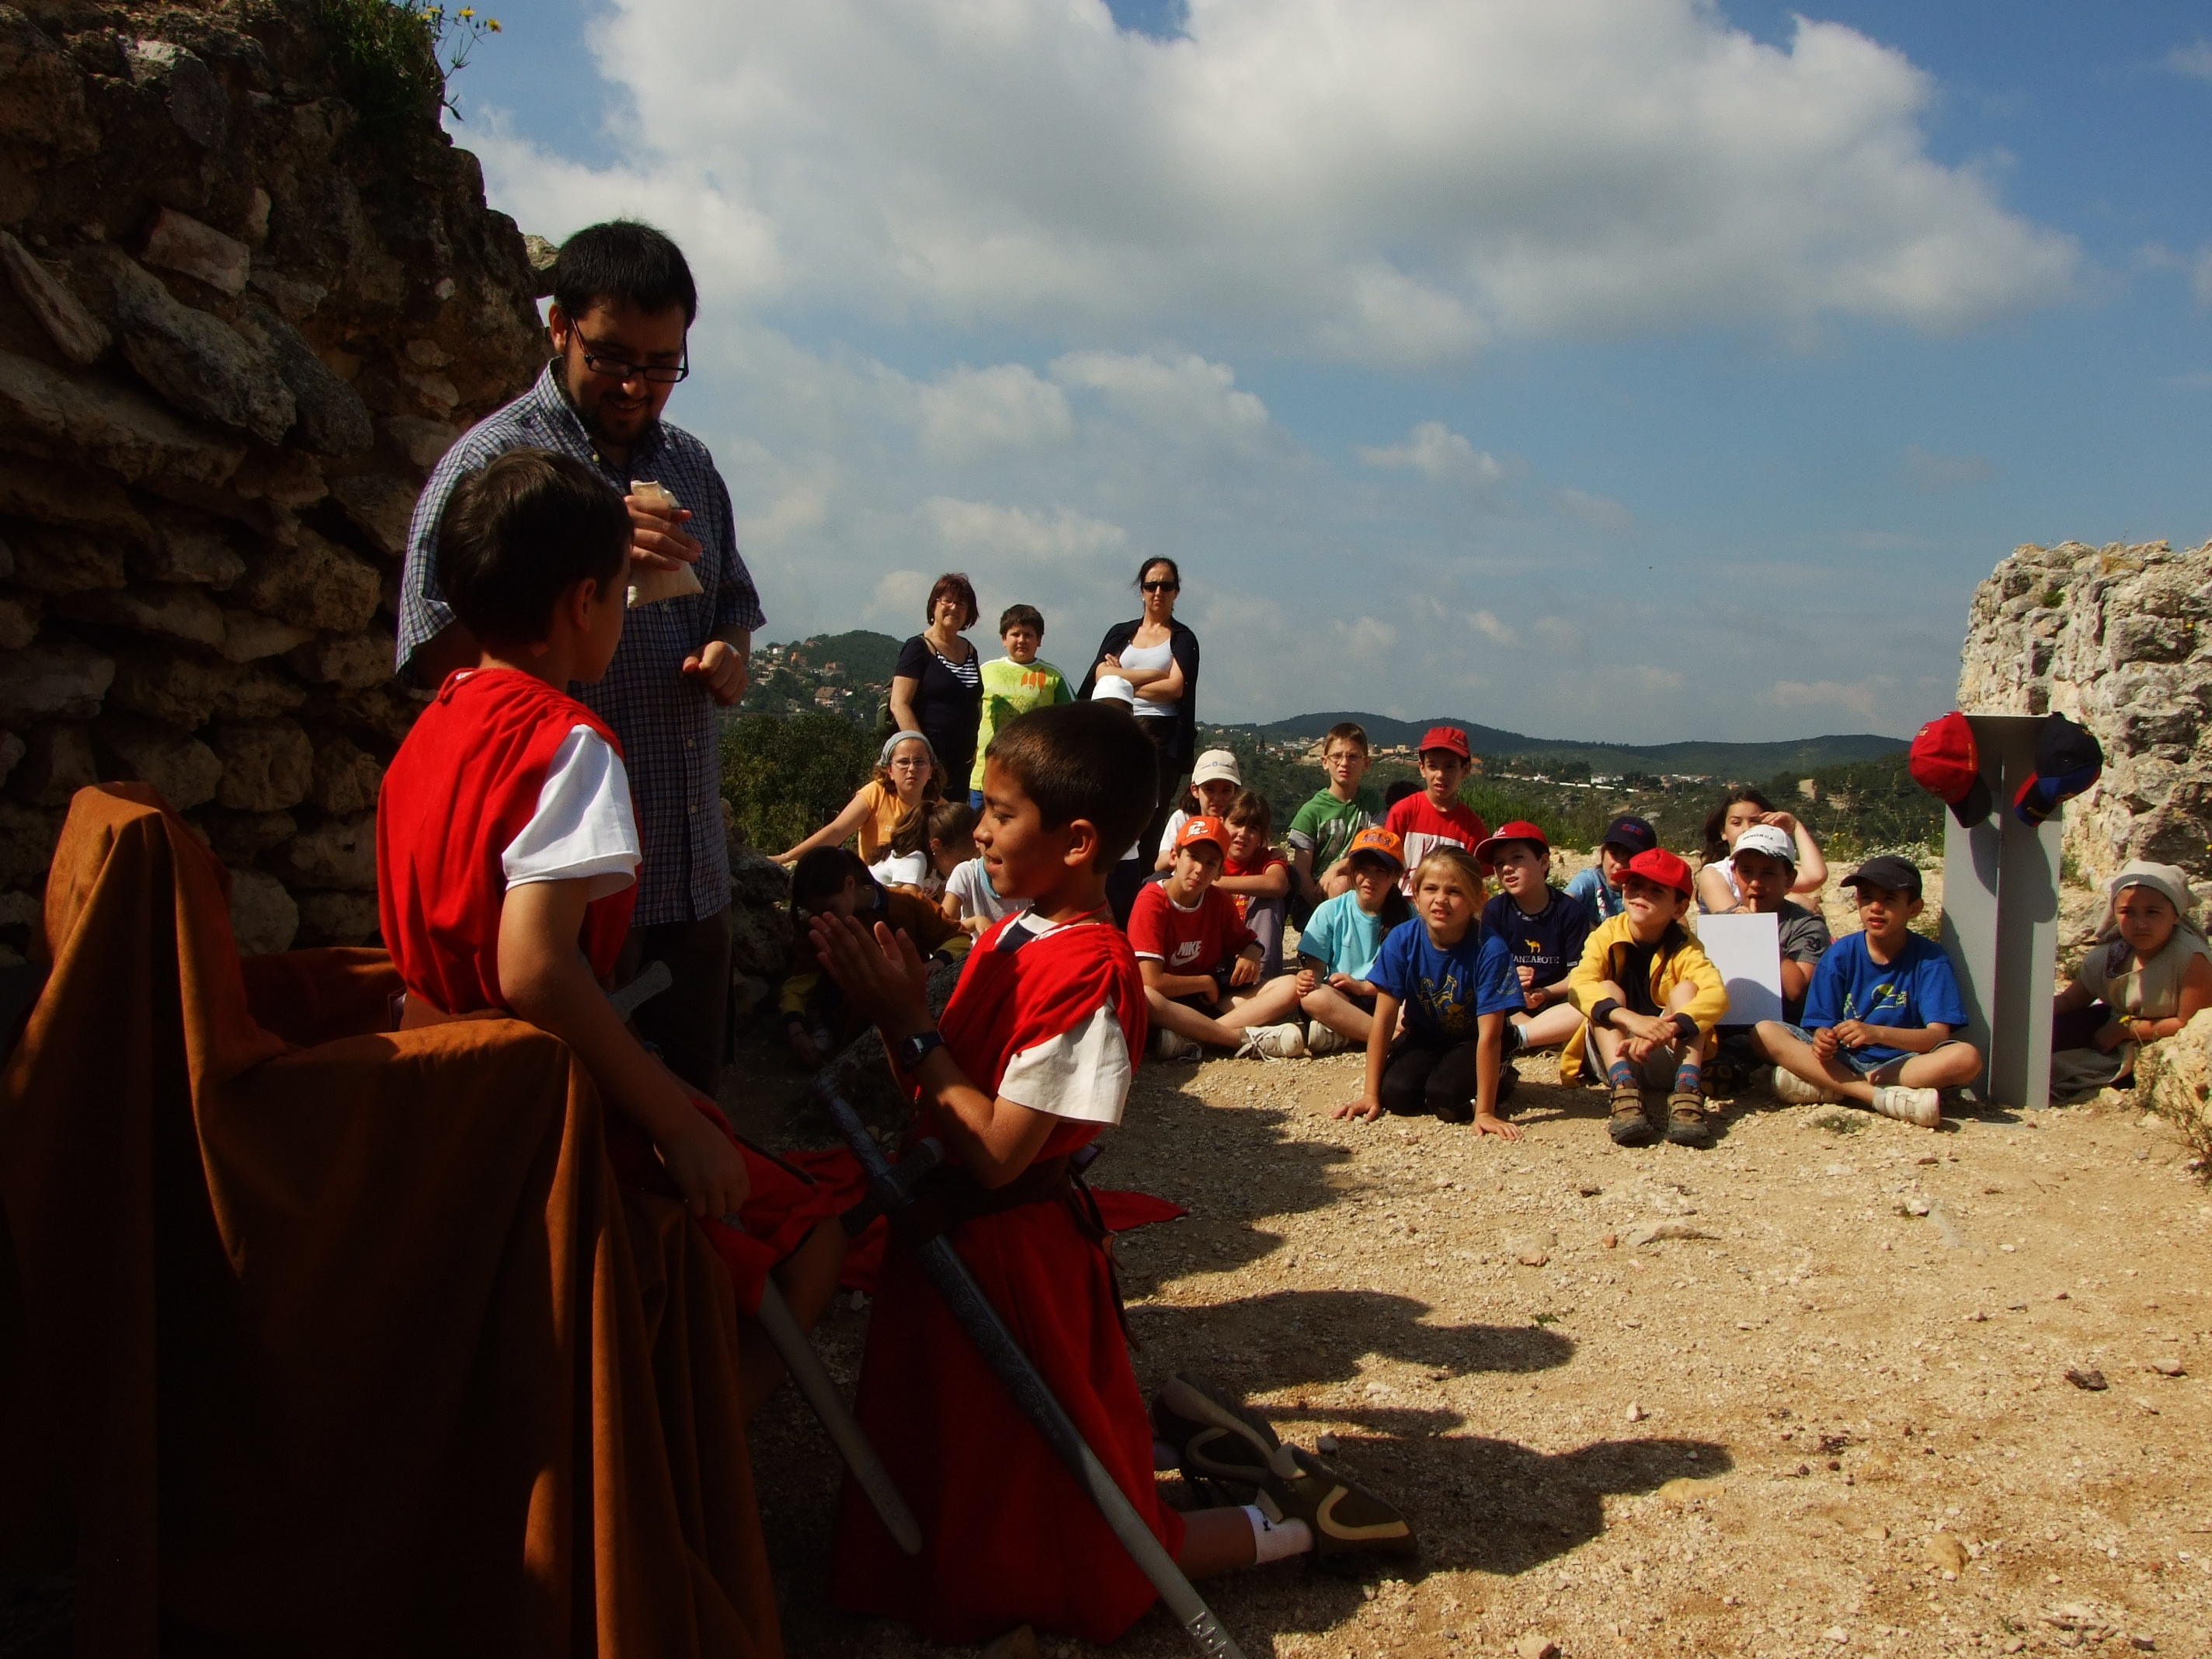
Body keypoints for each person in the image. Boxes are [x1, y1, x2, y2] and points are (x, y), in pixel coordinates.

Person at [812, 702, 1413, 1645]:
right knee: (977, 1477)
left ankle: (1288, 1525)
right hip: (954, 1248)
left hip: (1011, 1265)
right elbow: (951, 1081)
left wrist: (907, 1026)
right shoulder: (1019, 930)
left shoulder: (1089, 975)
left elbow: (1002, 1150)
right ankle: (1195, 1453)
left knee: (1088, 1539)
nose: (978, 829)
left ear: (1078, 840)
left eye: (1002, 814)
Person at [376, 446, 840, 1419]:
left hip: (429, 1092)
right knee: (811, 1226)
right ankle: (685, 1466)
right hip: (533, 1108)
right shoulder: (569, 746)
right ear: (584, 603)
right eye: (623, 593)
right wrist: (672, 1118)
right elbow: (536, 970)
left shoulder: (433, 724)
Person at [396, 221, 759, 1099]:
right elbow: (428, 654)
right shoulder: (495, 463)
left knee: (689, 1119)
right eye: (614, 357)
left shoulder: (692, 465)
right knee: (585, 1145)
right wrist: (585, 567)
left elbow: (734, 606)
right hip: (566, 898)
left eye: (663, 364)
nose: (638, 385)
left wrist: (728, 657)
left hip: (688, 871)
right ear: (559, 328)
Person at [1756, 855, 1979, 1129]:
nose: (1875, 908)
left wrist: (1876, 1033)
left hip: (1899, 1064)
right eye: (1866, 898)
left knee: (1966, 1058)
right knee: (1763, 1032)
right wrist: (1824, 1040)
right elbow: (1819, 1027)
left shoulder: (1930, 959)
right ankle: (1874, 1096)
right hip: (1844, 1058)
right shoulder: (1840, 954)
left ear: (1914, 908)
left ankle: (1832, 1088)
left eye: (1889, 900)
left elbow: (1936, 1036)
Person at [1334, 845, 1522, 1135]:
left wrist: (1484, 1111)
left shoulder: (1490, 949)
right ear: (1416, 896)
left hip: (1474, 1038)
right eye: (1431, 889)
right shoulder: (1402, 939)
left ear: (1476, 899)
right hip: (1426, 1033)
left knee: (1445, 1098)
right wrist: (1370, 1094)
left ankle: (1503, 1075)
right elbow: (1383, 1021)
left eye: (1455, 892)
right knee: (1396, 1095)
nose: (1440, 900)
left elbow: (1490, 1035)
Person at [1562, 847, 1729, 1149]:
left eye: (1656, 890)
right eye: (1634, 885)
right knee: (1608, 991)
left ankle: (1687, 1091)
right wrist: (1632, 1020)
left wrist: (1667, 1028)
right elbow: (1581, 984)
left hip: (1667, 1054)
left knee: (1687, 991)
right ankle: (1624, 1090)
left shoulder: (1687, 947)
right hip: (1614, 1055)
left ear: (1679, 908)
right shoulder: (1606, 933)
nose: (1641, 894)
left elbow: (1716, 993)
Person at [1130, 817, 1309, 1060]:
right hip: (1169, 1002)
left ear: (1220, 872)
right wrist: (1204, 982)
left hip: (1207, 1002)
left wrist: (1251, 954)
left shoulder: (1216, 899)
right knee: (1144, 996)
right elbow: (1151, 981)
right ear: (1174, 857)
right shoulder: (1152, 900)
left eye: (1211, 863)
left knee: (1290, 986)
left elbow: (1250, 943)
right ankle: (1237, 1039)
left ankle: (1193, 1039)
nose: (1200, 870)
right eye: (1193, 857)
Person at [778, 846, 961, 1069]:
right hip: (842, 1025)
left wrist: (938, 961)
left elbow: (958, 938)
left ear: (850, 884)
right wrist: (796, 1031)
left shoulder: (908, 905)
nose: (824, 918)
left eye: (830, 908)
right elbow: (798, 983)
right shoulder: (817, 929)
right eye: (815, 913)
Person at [2050, 861, 2212, 1097]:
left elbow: (2190, 1024)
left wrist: (2124, 1030)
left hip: (2156, 1040)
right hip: (2112, 1027)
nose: (2140, 924)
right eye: (2128, 912)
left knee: (2062, 1071)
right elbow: (2073, 1000)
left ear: (2176, 915)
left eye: (2153, 912)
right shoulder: (2110, 954)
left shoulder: (2190, 958)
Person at [1078, 556, 1201, 866]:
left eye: (1166, 585)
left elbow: (1176, 688)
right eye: (1151, 585)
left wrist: (1122, 679)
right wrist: (1154, 675)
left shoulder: (1183, 639)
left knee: (1149, 818)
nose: (1158, 591)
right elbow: (1099, 676)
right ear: (1141, 590)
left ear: (1176, 592)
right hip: (1116, 728)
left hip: (1161, 735)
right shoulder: (1121, 633)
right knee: (1109, 810)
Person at [1703, 823, 1831, 1090]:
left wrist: (1761, 935)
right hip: (1729, 1027)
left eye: (1768, 874)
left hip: (1785, 1026)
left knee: (1764, 1038)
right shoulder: (1726, 921)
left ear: (1790, 879)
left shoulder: (1807, 925)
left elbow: (1797, 990)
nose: (1755, 883)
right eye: (1746, 872)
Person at [1476, 821, 1590, 1069]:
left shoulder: (1570, 912)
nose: (1507, 868)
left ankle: (1518, 1038)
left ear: (1544, 863)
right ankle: (1540, 1036)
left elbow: (1579, 975)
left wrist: (1546, 992)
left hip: (1554, 1001)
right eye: (1499, 863)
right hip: (1510, 1004)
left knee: (1589, 1004)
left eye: (1517, 858)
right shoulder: (1495, 911)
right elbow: (1486, 971)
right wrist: (1511, 980)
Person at [1295, 827, 1414, 1056]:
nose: (1370, 879)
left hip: (1387, 997)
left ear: (1395, 875)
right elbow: (1316, 970)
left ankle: (1350, 1034)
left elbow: (1409, 977)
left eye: (1380, 871)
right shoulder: (1331, 910)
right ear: (1351, 871)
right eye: (1363, 870)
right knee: (1312, 997)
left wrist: (1364, 987)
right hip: (1344, 997)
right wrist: (1306, 978)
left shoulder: (1407, 915)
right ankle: (1392, 1039)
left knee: (1411, 1007)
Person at [774, 729, 941, 872]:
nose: (912, 769)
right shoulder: (875, 794)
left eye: (919, 762)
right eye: (903, 762)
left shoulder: (940, 808)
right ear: (889, 770)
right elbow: (836, 831)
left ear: (930, 771)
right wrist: (785, 859)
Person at [969, 603, 1072, 809]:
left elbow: (1072, 722)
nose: (1022, 640)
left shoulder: (1054, 677)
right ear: (1004, 639)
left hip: (1032, 778)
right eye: (1015, 634)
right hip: (984, 775)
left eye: (1028, 634)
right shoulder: (985, 671)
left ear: (1039, 640)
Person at [891, 573, 986, 793]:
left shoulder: (970, 650)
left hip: (962, 766)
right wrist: (923, 755)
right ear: (934, 605)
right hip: (927, 768)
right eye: (948, 601)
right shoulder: (918, 648)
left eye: (961, 604)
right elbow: (899, 704)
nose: (954, 608)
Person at [1287, 722, 1383, 916]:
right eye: (1337, 756)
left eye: (1353, 756)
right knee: (1339, 885)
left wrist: (1338, 867)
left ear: (1366, 763)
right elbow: (1302, 871)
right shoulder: (1311, 811)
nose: (1344, 763)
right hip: (1318, 896)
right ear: (1325, 761)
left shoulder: (1372, 802)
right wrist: (1319, 910)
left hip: (1363, 885)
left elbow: (1376, 847)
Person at [1382, 725, 1490, 894]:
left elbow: (1477, 882)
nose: (1440, 774)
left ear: (1465, 770)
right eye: (1433, 766)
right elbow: (1385, 867)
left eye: (1450, 767)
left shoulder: (1472, 827)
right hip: (1402, 912)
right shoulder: (1403, 812)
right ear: (1422, 768)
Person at [1696, 786, 1828, 913]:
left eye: (1755, 822)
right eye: (1736, 823)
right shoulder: (1715, 874)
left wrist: (1796, 827)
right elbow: (1734, 923)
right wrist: (1792, 902)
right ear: (1723, 831)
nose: (1746, 828)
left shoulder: (1775, 866)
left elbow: (1816, 876)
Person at [1217, 790, 1292, 978]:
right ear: (1221, 823)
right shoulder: (1210, 856)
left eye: (1253, 829)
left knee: (1269, 901)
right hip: (1215, 952)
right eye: (1237, 824)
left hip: (1252, 951)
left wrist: (1214, 882)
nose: (1243, 834)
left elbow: (1277, 884)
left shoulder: (1266, 858)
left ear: (1262, 836)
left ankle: (1263, 978)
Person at [1154, 750, 1243, 872]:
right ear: (1195, 790)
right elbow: (1160, 865)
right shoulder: (1182, 818)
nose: (1217, 798)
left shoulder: (1242, 825)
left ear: (1236, 792)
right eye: (1210, 789)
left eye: (1226, 791)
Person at [1565, 813, 1659, 927]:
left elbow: (1677, 921)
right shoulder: (1592, 880)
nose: (1619, 865)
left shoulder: (1649, 893)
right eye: (1614, 854)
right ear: (1603, 853)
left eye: (1630, 858)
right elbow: (1564, 904)